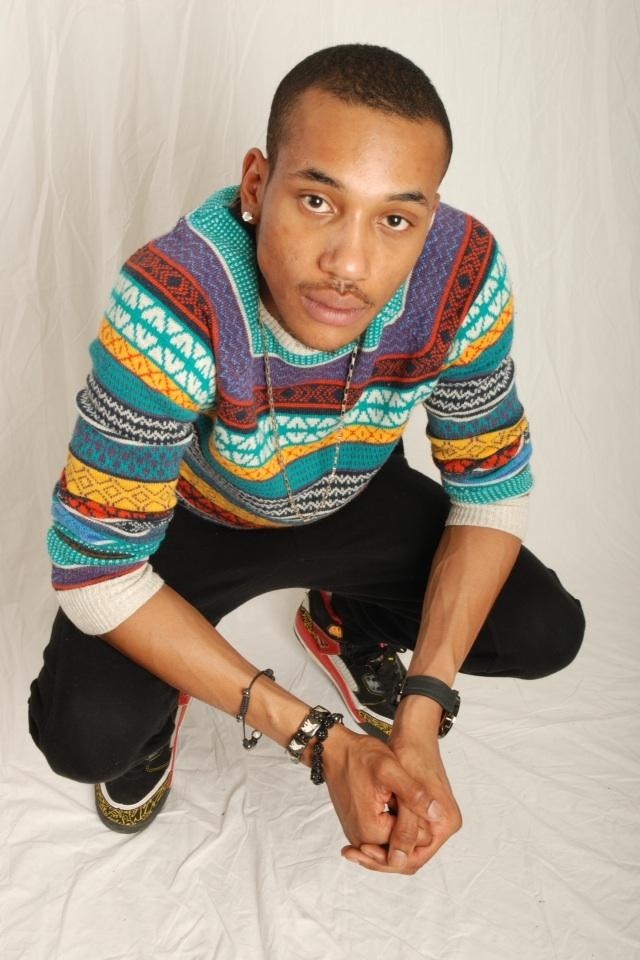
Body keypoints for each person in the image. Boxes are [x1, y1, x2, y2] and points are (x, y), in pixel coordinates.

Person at [28, 44, 584, 875]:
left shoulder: (462, 271)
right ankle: (162, 705)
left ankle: (344, 621)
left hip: (358, 493)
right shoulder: (171, 300)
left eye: (394, 219)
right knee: (86, 735)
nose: (349, 265)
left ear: (430, 217)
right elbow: (94, 569)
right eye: (318, 200)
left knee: (543, 629)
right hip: (200, 516)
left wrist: (423, 709)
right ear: (256, 186)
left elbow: (492, 486)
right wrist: (322, 740)